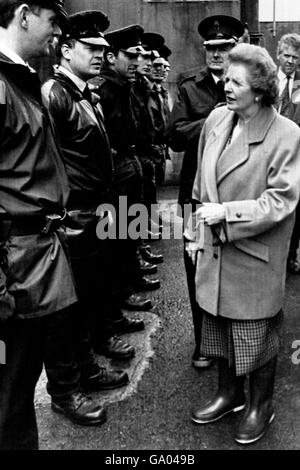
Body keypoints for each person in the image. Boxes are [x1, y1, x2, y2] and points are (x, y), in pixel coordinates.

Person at [185, 43, 300, 445]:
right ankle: (230, 394)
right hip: (214, 250)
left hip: (254, 255)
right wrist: (193, 233)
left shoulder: (286, 134)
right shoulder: (217, 119)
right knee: (217, 327)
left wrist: (227, 214)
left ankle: (260, 405)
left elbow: (281, 201)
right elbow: (201, 186)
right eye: (226, 79)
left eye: (235, 81)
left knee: (255, 335)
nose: (226, 86)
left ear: (260, 88)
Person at [42, 11, 141, 385]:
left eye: (102, 48)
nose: (100, 54)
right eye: (90, 47)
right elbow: (48, 162)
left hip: (94, 209)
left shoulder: (84, 93)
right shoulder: (56, 95)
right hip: (75, 214)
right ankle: (80, 374)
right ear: (66, 51)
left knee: (92, 289)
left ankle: (91, 357)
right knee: (73, 303)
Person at [0, 0, 78, 450]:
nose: (57, 34)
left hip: (30, 260)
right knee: (7, 395)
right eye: (53, 21)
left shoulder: (18, 78)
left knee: (18, 388)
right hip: (12, 270)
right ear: (24, 14)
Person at [167, 15, 244, 369]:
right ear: (205, 51)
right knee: (197, 266)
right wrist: (214, 119)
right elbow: (175, 134)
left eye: (224, 47)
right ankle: (203, 342)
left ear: (236, 48)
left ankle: (234, 339)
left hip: (236, 191)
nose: (217, 54)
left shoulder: (248, 86)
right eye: (211, 49)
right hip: (196, 192)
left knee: (236, 266)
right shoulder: (189, 86)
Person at [276, 33, 300, 273]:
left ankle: (291, 254)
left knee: (296, 208)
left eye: (295, 57)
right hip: (271, 154)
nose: (291, 61)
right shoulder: (268, 80)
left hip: (296, 155)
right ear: (278, 55)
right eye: (287, 55)